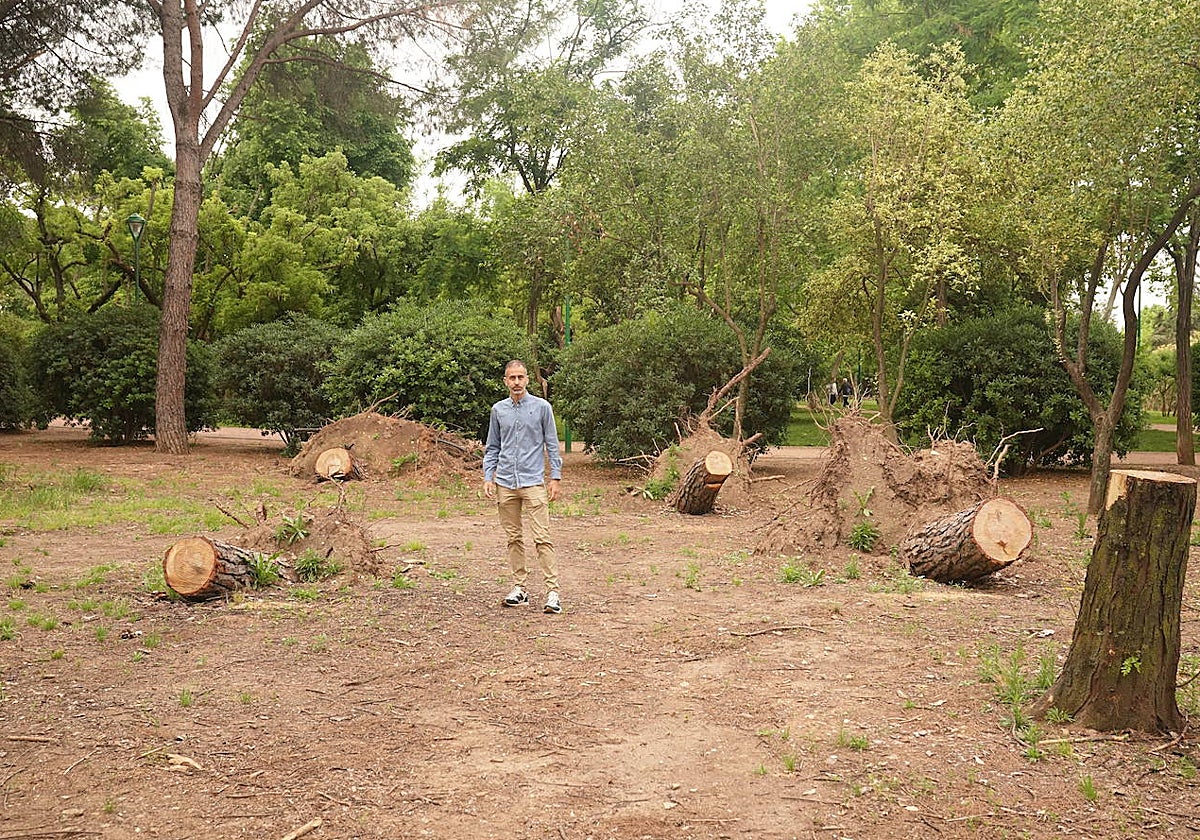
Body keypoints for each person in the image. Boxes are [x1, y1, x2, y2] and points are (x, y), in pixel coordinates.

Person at [483, 360, 564, 614]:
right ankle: (520, 588)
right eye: (512, 378)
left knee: (542, 538)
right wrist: (488, 475)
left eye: (520, 377)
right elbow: (493, 445)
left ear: (527, 379)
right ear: (505, 381)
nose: (516, 382)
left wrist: (555, 477)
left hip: (533, 482)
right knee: (513, 538)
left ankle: (553, 592)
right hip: (505, 482)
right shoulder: (499, 410)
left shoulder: (542, 408)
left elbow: (552, 444)